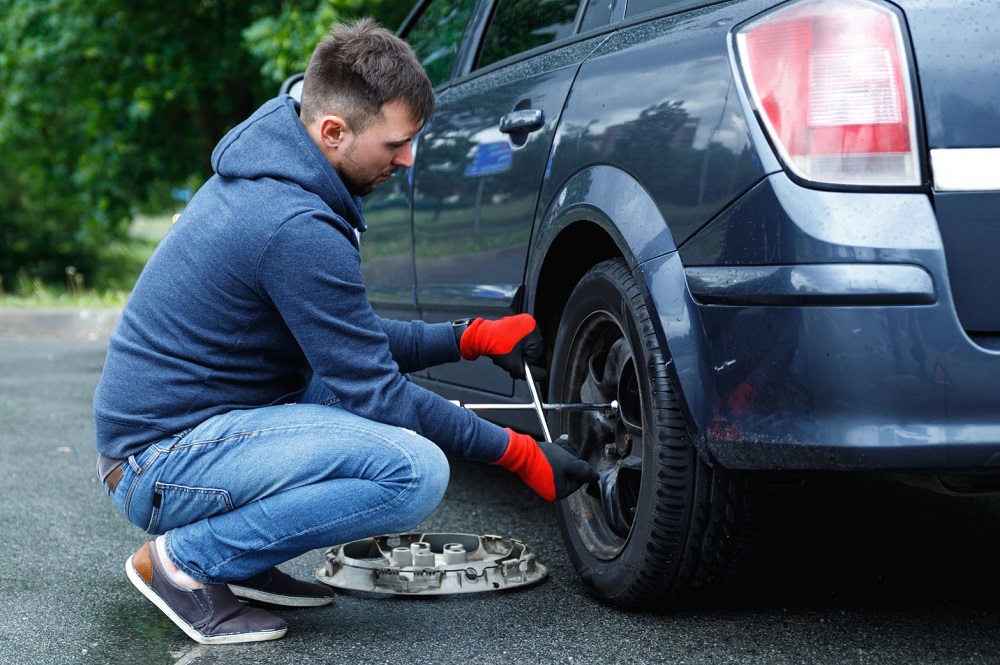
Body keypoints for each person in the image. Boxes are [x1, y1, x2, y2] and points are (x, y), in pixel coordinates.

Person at [93, 19, 597, 645]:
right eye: (395, 144)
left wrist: (468, 337)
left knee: (342, 389)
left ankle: (240, 563)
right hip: (159, 462)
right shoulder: (293, 222)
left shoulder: (283, 172)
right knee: (413, 472)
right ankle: (184, 567)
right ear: (333, 132)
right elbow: (380, 395)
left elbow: (350, 345)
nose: (408, 160)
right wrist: (516, 452)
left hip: (196, 432)